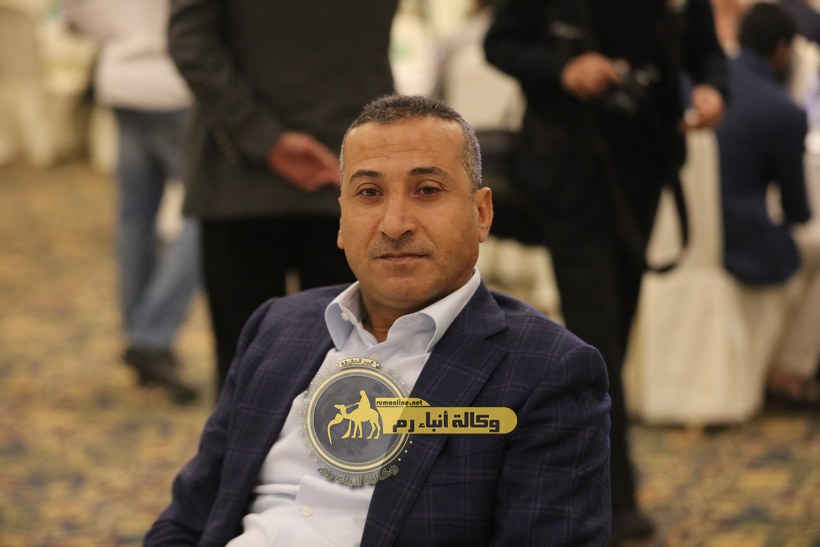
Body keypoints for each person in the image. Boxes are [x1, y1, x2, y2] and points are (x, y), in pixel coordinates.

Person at [144, 95, 612, 546]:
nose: (394, 223)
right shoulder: (277, 327)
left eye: (427, 191)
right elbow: (190, 514)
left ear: (481, 213)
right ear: (342, 220)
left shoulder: (547, 371)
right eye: (369, 193)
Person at [483, 0, 728, 542]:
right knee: (597, 340)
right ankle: (613, 500)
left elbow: (707, 54)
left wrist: (713, 91)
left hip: (646, 169)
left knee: (614, 333)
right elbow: (499, 43)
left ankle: (591, 482)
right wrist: (564, 68)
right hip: (570, 172)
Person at [166, 0, 399, 395]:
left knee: (268, 367)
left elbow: (193, 44)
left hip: (263, 172)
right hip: (333, 165)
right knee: (348, 367)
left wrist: (263, 136)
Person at [59, 0, 200, 404]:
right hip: (175, 83)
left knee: (135, 217)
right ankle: (150, 337)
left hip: (123, 79)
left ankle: (143, 336)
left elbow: (74, 12)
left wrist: (122, 33)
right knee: (202, 215)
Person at [716, 3, 820, 408]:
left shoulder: (698, 85)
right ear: (782, 49)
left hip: (682, 232)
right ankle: (789, 372)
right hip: (740, 241)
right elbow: (798, 211)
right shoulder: (783, 110)